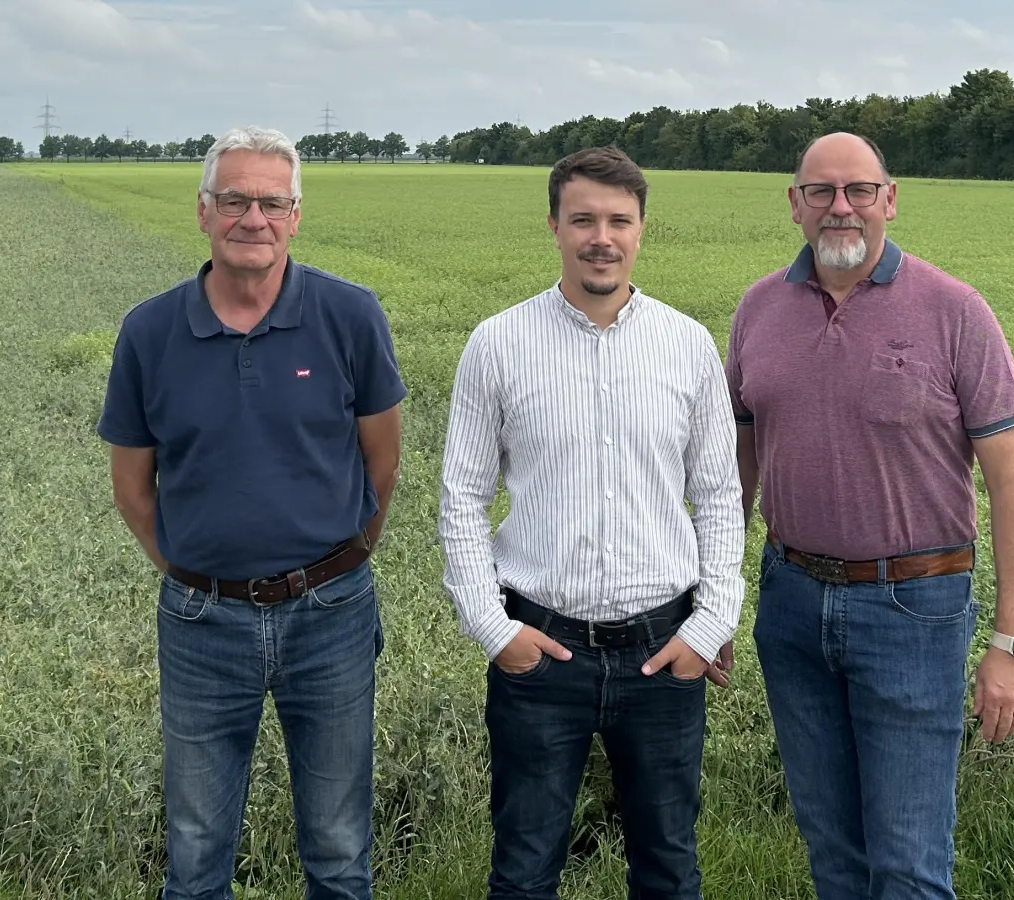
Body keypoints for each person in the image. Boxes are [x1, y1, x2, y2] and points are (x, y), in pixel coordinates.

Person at [723, 131, 1014, 900]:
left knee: (906, 864)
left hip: (913, 611)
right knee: (832, 852)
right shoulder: (758, 310)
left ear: (889, 200)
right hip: (791, 605)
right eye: (822, 192)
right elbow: (735, 472)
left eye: (859, 190)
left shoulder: (955, 311)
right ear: (795, 206)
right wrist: (715, 602)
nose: (842, 207)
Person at [96, 126, 405, 900]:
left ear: (296, 215)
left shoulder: (350, 315)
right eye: (233, 199)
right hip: (202, 621)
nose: (252, 218)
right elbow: (133, 489)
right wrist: (193, 573)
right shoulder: (149, 331)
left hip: (330, 611)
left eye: (272, 202)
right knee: (196, 854)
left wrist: (342, 561)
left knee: (338, 848)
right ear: (203, 211)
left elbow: (384, 463)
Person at [437, 145, 746, 900]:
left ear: (642, 229)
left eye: (618, 220)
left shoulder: (687, 345)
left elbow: (718, 494)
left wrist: (708, 629)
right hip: (542, 655)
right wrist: (493, 629)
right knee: (523, 867)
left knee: (669, 868)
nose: (600, 236)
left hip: (663, 653)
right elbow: (460, 498)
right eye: (583, 219)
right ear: (554, 226)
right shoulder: (498, 343)